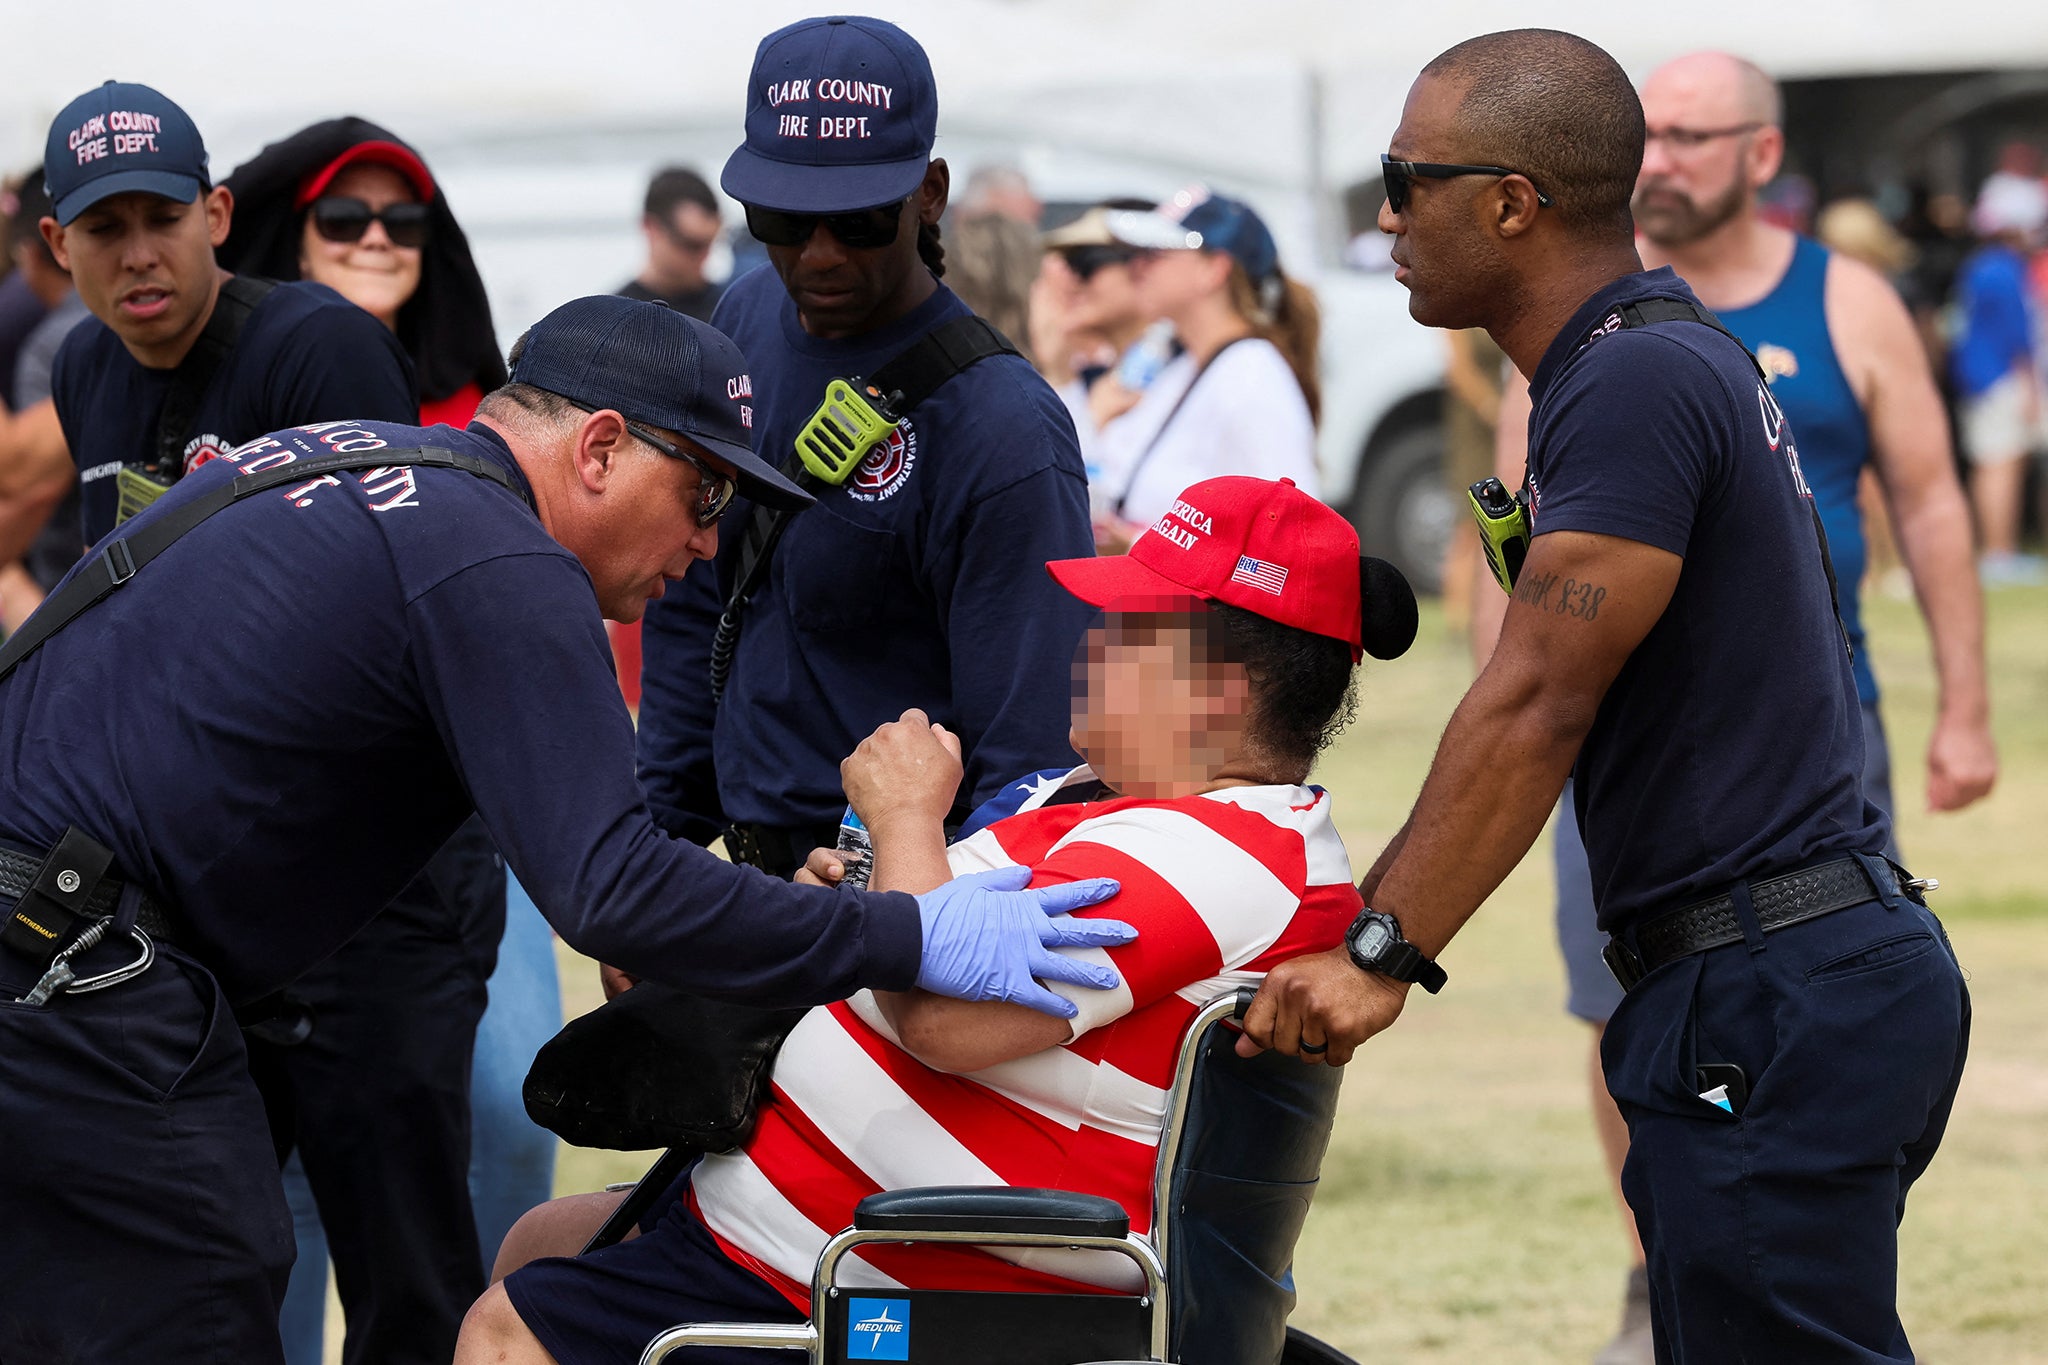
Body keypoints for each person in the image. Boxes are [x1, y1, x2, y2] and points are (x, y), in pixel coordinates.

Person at [0, 292, 1135, 1362]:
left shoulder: (352, 460)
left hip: (53, 930)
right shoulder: (500, 554)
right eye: (705, 498)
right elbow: (613, 889)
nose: (705, 547)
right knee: (202, 1283)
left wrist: (731, 922)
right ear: (597, 449)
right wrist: (906, 933)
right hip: (70, 960)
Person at [1241, 30, 1970, 1364]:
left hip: (1773, 991)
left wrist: (1378, 950)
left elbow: (1534, 704)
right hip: (1778, 982)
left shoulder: (1632, 379)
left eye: (1408, 182)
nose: (1387, 216)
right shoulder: (1642, 358)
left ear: (1513, 201)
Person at [456, 474, 1407, 1365]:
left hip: (900, 1273)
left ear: (1218, 688)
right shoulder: (1138, 809)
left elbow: (947, 1021)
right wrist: (861, 890)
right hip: (819, 1226)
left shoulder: (1220, 853)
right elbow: (942, 933)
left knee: (510, 1332)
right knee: (539, 1243)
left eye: (1124, 625)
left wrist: (907, 816)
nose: (1085, 642)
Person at [1473, 52, 1996, 1364]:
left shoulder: (1848, 299)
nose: (1667, 160)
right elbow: (1524, 540)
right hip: (1618, 735)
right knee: (1624, 1004)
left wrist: (1965, 706)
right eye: (1656, 134)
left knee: (1791, 1001)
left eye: (1699, 135)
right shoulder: (1587, 322)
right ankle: (1667, 1272)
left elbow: (1928, 499)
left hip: (1815, 723)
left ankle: (1780, 1254)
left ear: (1765, 154)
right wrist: (1512, 708)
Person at [217, 119, 541, 1365]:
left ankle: (500, 1337)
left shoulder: (496, 403)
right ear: (286, 239)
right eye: (340, 219)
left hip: (470, 810)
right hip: (298, 832)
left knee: (508, 1105)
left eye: (399, 221)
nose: (372, 240)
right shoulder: (238, 395)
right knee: (280, 1156)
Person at [635, 15, 1096, 880]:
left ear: (930, 194)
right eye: (781, 216)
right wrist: (655, 856)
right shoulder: (739, 321)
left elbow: (1032, 761)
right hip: (744, 891)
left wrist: (914, 917)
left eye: (856, 221)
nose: (816, 255)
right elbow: (697, 603)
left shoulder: (1002, 427)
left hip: (891, 905)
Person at [1088, 187, 1321, 550]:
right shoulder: (1186, 367)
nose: (1135, 267)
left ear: (1214, 270)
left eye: (1154, 253)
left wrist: (1140, 544)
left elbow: (1293, 544)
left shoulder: (1252, 376)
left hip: (1186, 607)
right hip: (1158, 604)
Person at [1950, 173, 2046, 583]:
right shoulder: (2004, 270)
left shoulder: (1979, 265)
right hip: (2000, 378)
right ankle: (1998, 552)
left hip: (1980, 377)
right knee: (2000, 464)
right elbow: (2017, 336)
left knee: (1996, 462)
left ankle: (1998, 550)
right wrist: (2030, 388)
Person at [617, 166, 726, 322]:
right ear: (650, 227)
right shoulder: (615, 319)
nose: (705, 257)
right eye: (690, 245)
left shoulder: (730, 310)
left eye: (710, 243)